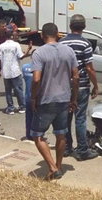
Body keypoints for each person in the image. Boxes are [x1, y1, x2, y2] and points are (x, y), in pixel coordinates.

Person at [30, 23, 80, 181]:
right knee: (61, 134)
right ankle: (58, 166)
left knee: (37, 135)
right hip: (64, 98)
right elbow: (76, 76)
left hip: (46, 100)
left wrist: (33, 97)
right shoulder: (68, 51)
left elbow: (36, 79)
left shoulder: (39, 53)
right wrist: (74, 98)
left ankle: (52, 167)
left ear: (42, 35)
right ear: (58, 34)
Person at [59, 14, 99, 160]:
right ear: (84, 27)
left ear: (70, 26)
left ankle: (66, 148)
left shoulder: (61, 42)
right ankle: (82, 150)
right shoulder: (85, 44)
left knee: (65, 119)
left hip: (64, 87)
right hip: (81, 86)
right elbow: (89, 68)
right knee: (80, 119)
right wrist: (96, 85)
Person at [0, 29, 31, 115]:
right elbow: (21, 57)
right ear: (11, 36)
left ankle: (10, 108)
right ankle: (22, 106)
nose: (17, 36)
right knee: (18, 89)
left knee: (8, 91)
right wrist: (28, 49)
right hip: (15, 71)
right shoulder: (16, 45)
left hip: (6, 72)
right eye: (15, 35)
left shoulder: (1, 46)